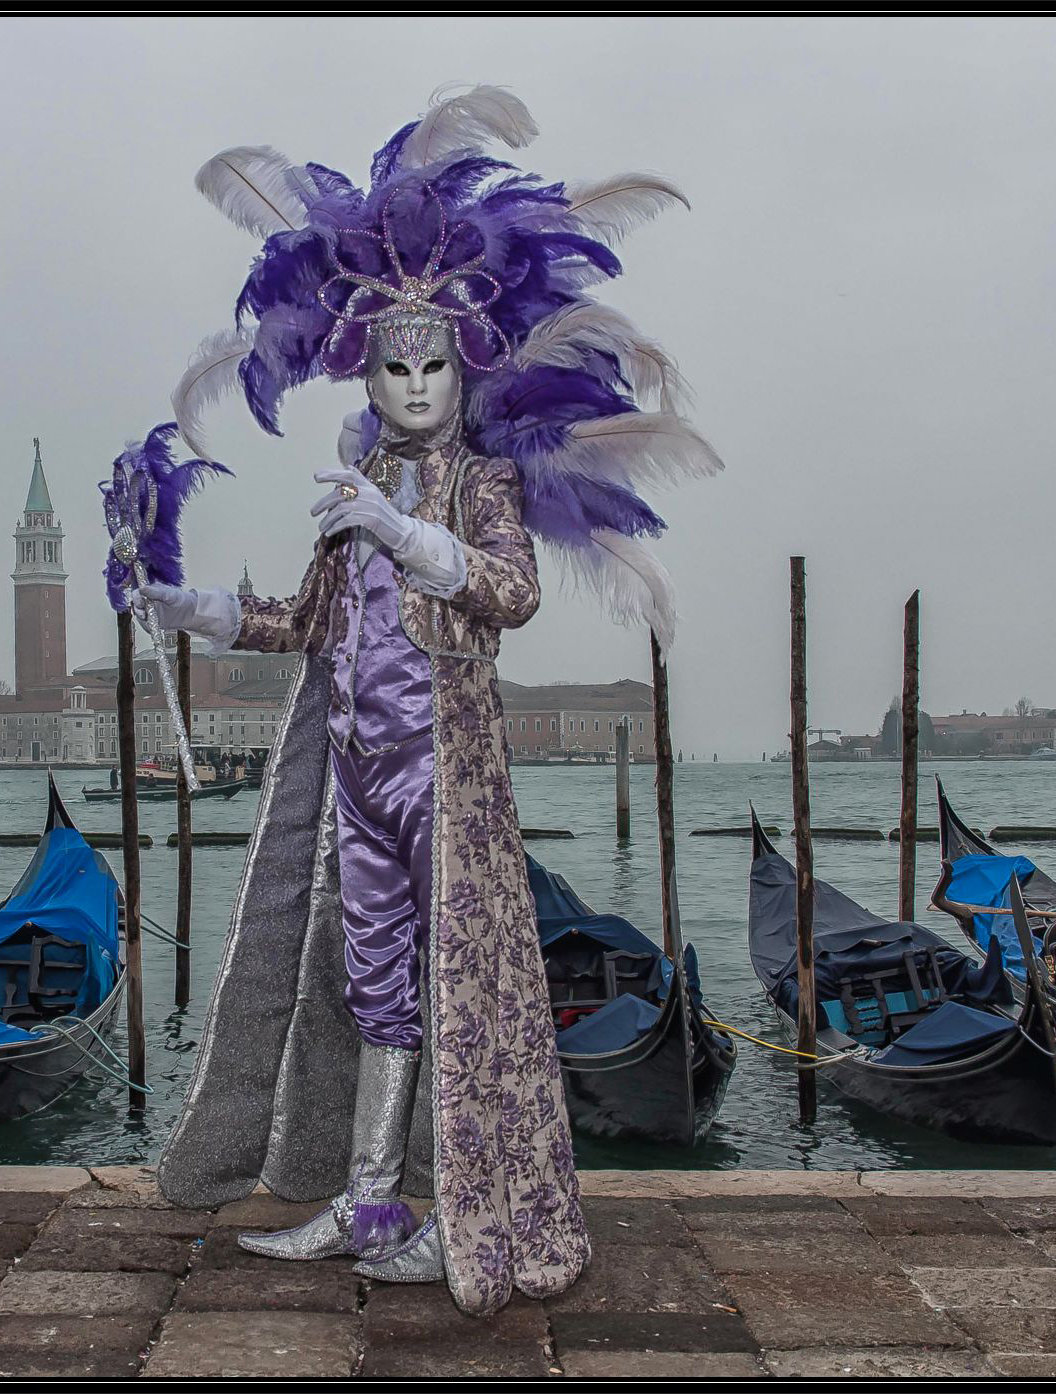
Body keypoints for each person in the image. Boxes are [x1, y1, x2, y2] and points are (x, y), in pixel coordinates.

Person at [138, 87, 721, 1316]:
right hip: (356, 775)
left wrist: (404, 530)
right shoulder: (355, 488)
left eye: (431, 365)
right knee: (372, 986)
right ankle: (371, 1196)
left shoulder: (480, 485)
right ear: (370, 368)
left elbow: (509, 594)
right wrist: (191, 610)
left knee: (463, 988)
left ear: (462, 366)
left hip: (442, 780)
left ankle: (469, 1207)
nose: (411, 386)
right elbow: (306, 624)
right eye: (392, 367)